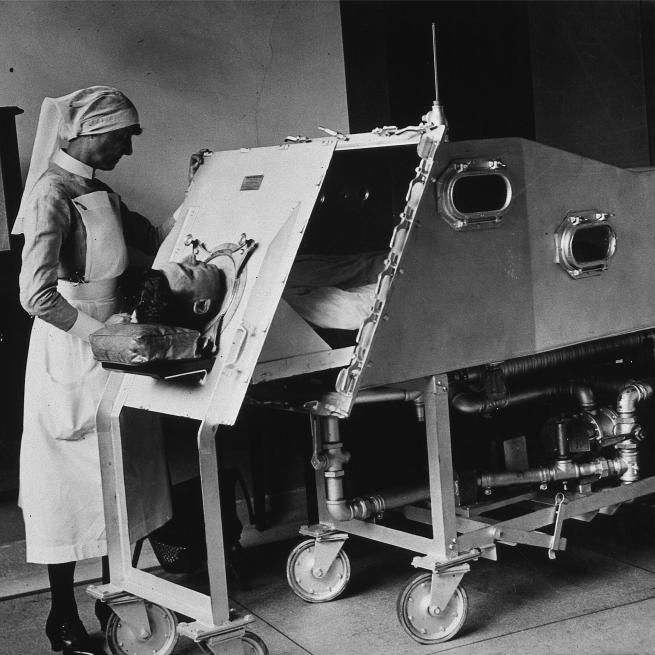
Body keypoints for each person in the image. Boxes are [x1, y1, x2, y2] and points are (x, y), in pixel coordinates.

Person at [14, 86, 175, 655]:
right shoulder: (49, 194)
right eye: (122, 136)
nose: (127, 149)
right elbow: (35, 295)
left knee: (125, 472)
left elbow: (149, 241)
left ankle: (118, 595)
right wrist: (97, 336)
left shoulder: (98, 190)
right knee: (69, 484)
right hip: (72, 345)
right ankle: (62, 615)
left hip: (116, 340)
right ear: (91, 127)